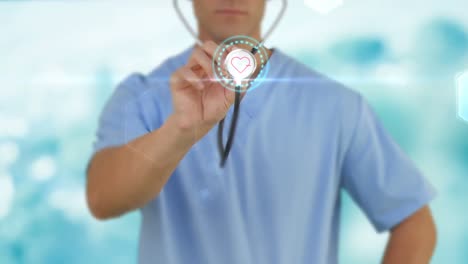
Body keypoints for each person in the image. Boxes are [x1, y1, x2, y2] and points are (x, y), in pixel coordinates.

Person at [86, 0, 437, 263]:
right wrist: (179, 131)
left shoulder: (335, 105)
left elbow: (414, 222)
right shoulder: (141, 96)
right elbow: (103, 199)